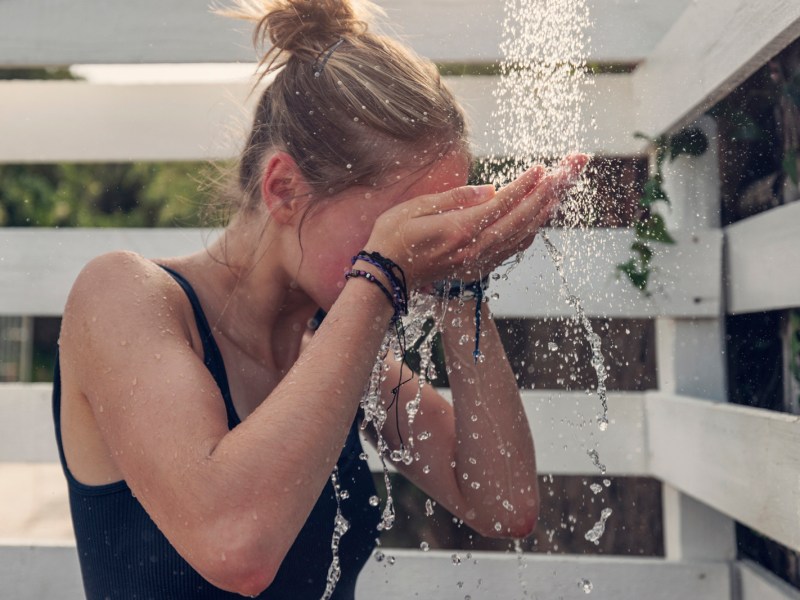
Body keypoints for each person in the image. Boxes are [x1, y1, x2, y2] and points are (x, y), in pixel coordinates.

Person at [53, 0, 588, 598]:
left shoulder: (335, 348)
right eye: (401, 225)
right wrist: (382, 269)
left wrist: (461, 284)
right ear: (283, 190)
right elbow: (234, 546)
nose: (421, 254)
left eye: (434, 223)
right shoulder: (124, 296)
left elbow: (503, 503)